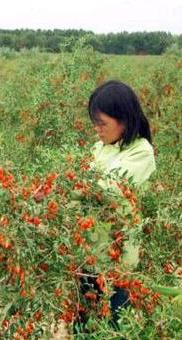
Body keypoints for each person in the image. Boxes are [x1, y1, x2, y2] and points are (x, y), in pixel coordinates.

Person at [78, 80, 156, 329]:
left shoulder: (141, 152)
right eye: (95, 124)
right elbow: (79, 183)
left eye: (103, 124)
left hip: (117, 262)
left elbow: (109, 189)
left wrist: (69, 188)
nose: (97, 130)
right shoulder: (99, 148)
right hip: (88, 257)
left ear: (124, 119)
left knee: (114, 326)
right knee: (83, 326)